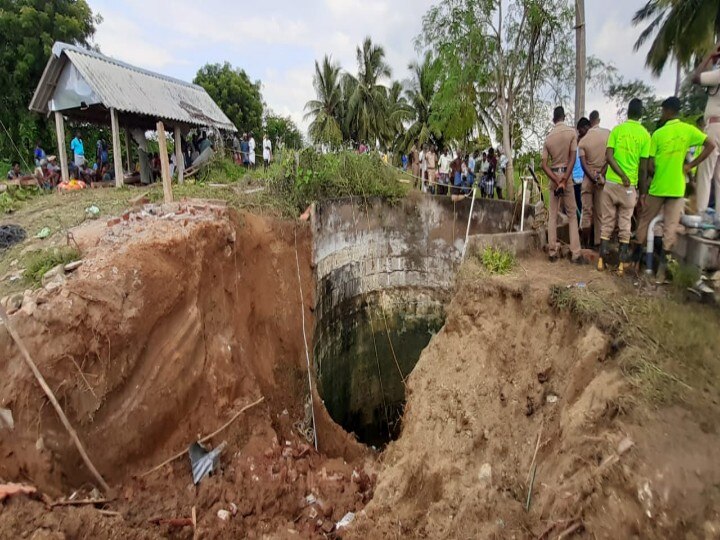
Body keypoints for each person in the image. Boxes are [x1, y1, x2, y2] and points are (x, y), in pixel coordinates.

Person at [636, 97, 715, 282]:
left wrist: (653, 174)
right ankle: (661, 273)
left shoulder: (658, 134)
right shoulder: (688, 130)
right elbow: (711, 145)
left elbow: (648, 167)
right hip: (677, 188)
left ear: (666, 111)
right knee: (669, 229)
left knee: (644, 222)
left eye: (663, 111)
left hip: (658, 186)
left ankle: (636, 264)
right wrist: (690, 166)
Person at [600, 99, 651, 275]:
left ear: (627, 112)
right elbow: (644, 168)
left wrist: (619, 174)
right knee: (625, 223)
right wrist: (642, 193)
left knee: (607, 221)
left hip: (611, 183)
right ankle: (621, 265)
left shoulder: (617, 130)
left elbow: (608, 156)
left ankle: (601, 261)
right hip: (629, 188)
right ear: (641, 114)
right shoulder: (645, 135)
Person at [541, 106, 585, 264]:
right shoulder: (571, 132)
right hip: (567, 175)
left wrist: (556, 179)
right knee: (572, 215)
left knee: (552, 215)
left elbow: (544, 165)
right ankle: (575, 254)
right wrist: (565, 179)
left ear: (554, 119)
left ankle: (552, 252)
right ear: (564, 117)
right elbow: (573, 158)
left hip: (553, 176)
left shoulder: (548, 137)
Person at [691, 41, 720, 215]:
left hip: (715, 126)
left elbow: (696, 78)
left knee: (705, 174)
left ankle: (701, 215)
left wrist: (709, 55)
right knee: (719, 179)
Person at [579, 110, 610, 248]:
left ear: (589, 122)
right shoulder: (608, 135)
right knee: (600, 213)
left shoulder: (583, 141)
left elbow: (583, 163)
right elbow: (610, 158)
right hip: (602, 179)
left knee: (586, 212)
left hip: (588, 178)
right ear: (599, 119)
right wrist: (600, 175)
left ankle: (585, 244)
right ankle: (598, 243)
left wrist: (592, 177)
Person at [572, 118, 591, 223]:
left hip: (582, 181)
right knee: (579, 208)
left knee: (583, 208)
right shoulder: (577, 147)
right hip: (576, 182)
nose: (579, 133)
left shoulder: (585, 145)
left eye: (580, 131)